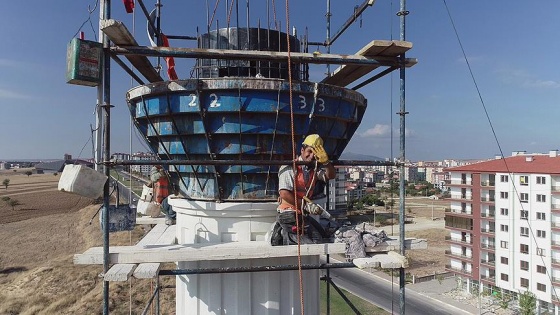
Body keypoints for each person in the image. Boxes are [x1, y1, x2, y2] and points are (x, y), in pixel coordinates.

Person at [273, 134, 336, 245]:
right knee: (316, 240)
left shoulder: (313, 169)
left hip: (301, 213)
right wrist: (306, 205)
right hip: (288, 213)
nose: (311, 156)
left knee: (323, 235)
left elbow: (330, 176)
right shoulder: (290, 167)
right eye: (309, 151)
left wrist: (326, 163)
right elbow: (284, 193)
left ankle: (286, 233)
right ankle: (283, 234)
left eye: (315, 153)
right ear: (302, 150)